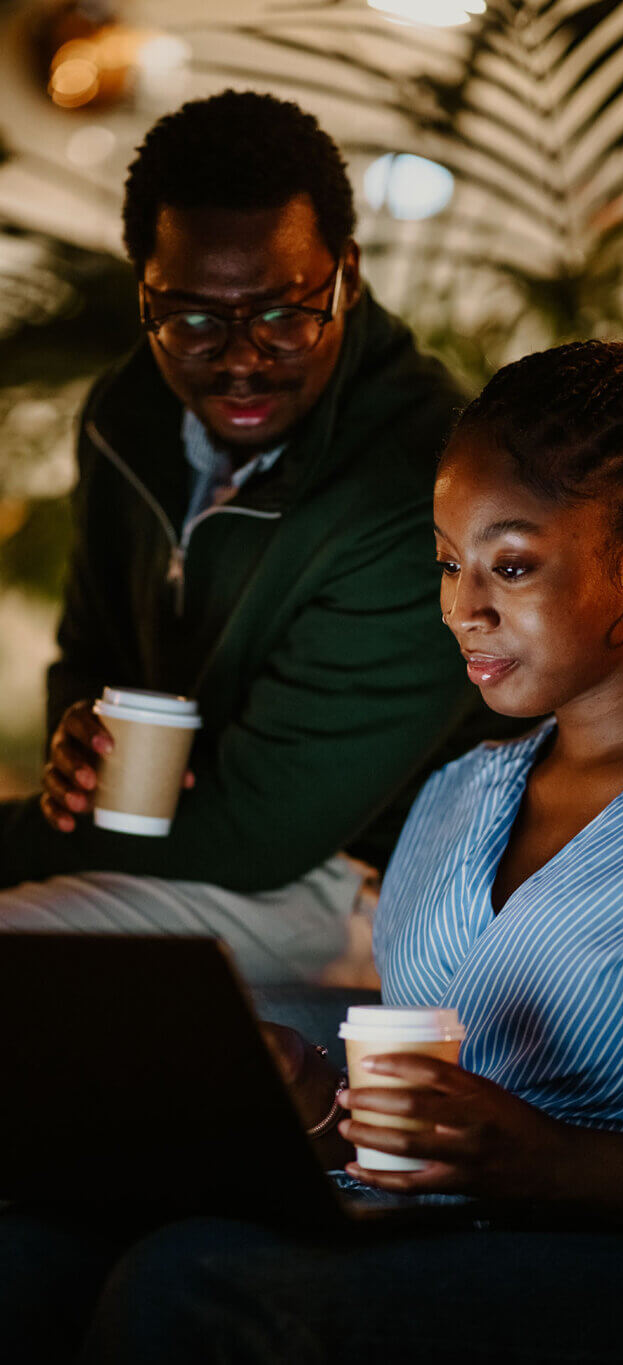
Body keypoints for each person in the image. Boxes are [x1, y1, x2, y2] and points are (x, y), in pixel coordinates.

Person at [3, 337, 623, 1363]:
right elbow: (417, 1107)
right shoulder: (457, 799)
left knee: (191, 1291)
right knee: (30, 1257)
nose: (461, 608)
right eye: (448, 562)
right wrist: (318, 1106)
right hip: (432, 1231)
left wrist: (554, 1161)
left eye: (511, 563)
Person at [0, 89, 482, 984]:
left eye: (286, 312)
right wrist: (81, 748)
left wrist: (19, 832)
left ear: (350, 272)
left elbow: (259, 835)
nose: (241, 358)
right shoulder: (127, 415)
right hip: (180, 849)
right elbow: (92, 656)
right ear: (142, 283)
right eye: (189, 319)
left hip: (355, 886)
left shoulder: (426, 482)